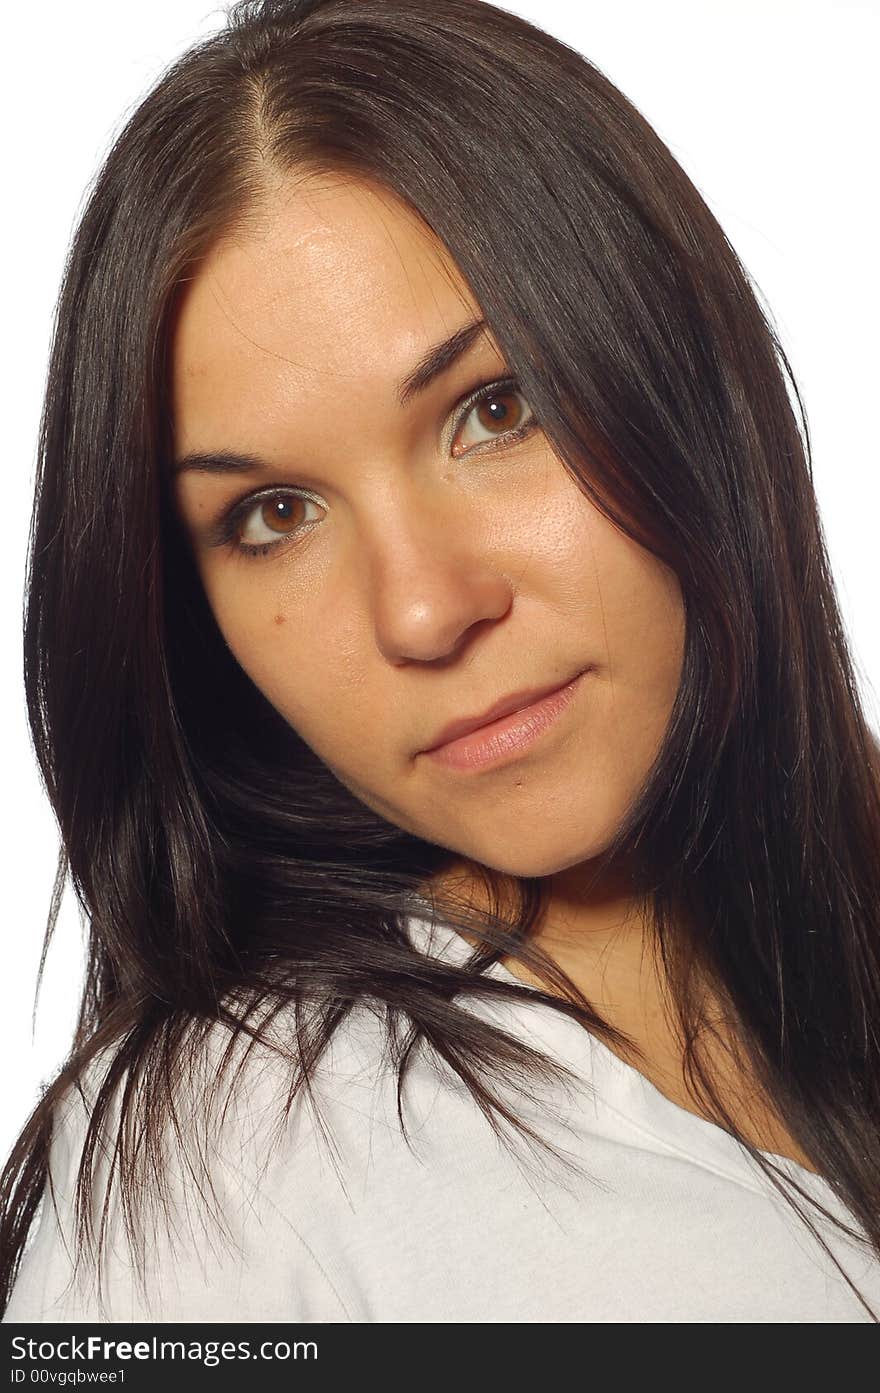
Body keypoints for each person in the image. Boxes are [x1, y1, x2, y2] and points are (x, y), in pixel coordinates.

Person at [3, 0, 880, 1323]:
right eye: (273, 515)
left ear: (679, 374)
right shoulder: (240, 1164)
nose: (422, 609)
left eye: (496, 409)